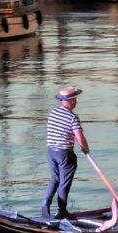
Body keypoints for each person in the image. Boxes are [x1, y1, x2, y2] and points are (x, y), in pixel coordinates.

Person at [41, 86, 89, 219]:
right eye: (75, 99)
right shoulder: (73, 117)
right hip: (64, 154)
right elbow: (79, 137)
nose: (76, 101)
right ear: (72, 101)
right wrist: (85, 148)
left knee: (55, 178)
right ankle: (62, 211)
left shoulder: (53, 112)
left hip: (51, 152)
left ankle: (45, 203)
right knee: (64, 182)